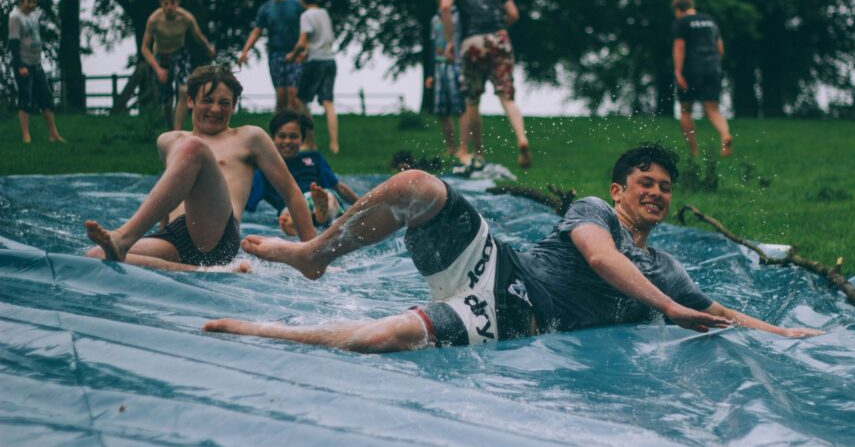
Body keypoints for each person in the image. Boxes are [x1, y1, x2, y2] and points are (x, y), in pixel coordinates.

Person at [204, 143, 823, 353]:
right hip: (498, 266)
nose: (657, 195)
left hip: (518, 316)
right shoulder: (594, 210)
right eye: (646, 185)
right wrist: (673, 308)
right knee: (419, 185)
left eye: (665, 188)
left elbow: (716, 311)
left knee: (381, 340)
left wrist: (781, 334)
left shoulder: (668, 267)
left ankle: (265, 333)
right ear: (619, 190)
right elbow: (601, 258)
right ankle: (317, 251)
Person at [84, 65, 316, 272]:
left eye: (224, 103)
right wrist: (161, 231)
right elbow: (171, 192)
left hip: (217, 235)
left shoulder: (249, 137)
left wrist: (312, 254)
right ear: (190, 101)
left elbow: (291, 192)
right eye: (207, 100)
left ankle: (123, 237)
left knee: (194, 147)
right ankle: (203, 270)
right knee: (95, 256)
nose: (215, 109)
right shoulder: (168, 141)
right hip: (175, 235)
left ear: (234, 106)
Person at [440, 0, 532, 171]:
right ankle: (521, 138)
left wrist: (451, 41)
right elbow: (512, 13)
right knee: (507, 96)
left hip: (473, 40)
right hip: (498, 38)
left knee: (472, 100)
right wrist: (503, 28)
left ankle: (478, 153)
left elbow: (444, 7)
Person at [246, 110, 359, 236]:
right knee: (290, 212)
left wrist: (360, 204)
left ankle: (314, 217)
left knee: (328, 198)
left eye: (293, 136)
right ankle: (314, 219)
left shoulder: (314, 158)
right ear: (273, 138)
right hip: (290, 207)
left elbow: (338, 187)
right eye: (282, 136)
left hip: (317, 195)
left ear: (302, 139)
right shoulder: (265, 169)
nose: (287, 141)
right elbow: (248, 200)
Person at [140, 0, 217, 131]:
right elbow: (144, 48)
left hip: (180, 54)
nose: (169, 7)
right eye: (165, 4)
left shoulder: (186, 18)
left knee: (183, 90)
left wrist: (208, 48)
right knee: (167, 101)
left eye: (172, 3)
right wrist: (158, 70)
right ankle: (171, 132)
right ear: (161, 4)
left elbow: (198, 36)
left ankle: (178, 130)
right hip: (161, 57)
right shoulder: (154, 20)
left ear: (177, 3)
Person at [671, 0, 733, 157]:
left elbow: (679, 46)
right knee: (712, 109)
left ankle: (694, 151)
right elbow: (720, 48)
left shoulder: (681, 22)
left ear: (678, 10)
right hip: (713, 65)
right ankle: (725, 134)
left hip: (692, 66)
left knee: (685, 109)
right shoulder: (710, 20)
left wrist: (678, 71)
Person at [237, 0, 304, 113]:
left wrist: (307, 48)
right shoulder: (265, 9)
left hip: (296, 53)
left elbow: (308, 27)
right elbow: (257, 31)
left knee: (293, 96)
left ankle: (300, 130)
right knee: (281, 97)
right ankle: (278, 132)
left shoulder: (297, 4)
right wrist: (245, 51)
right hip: (276, 54)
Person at [8, 0, 65, 145]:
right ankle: (26, 136)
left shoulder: (34, 16)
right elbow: (13, 43)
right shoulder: (15, 17)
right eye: (28, 1)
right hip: (24, 64)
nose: (31, 5)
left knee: (46, 98)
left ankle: (53, 134)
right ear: (21, 0)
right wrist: (20, 65)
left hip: (36, 63)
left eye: (34, 2)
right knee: (25, 99)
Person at [288, 0, 340, 154]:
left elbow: (302, 42)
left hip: (315, 62)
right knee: (328, 102)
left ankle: (310, 141)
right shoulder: (324, 13)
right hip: (330, 60)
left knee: (301, 101)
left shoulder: (306, 15)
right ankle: (334, 144)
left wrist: (292, 56)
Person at [424, 0, 466, 157]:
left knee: (461, 107)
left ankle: (464, 148)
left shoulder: (460, 16)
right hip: (439, 65)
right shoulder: (435, 19)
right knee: (442, 110)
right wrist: (431, 73)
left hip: (456, 64)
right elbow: (434, 45)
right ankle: (451, 147)